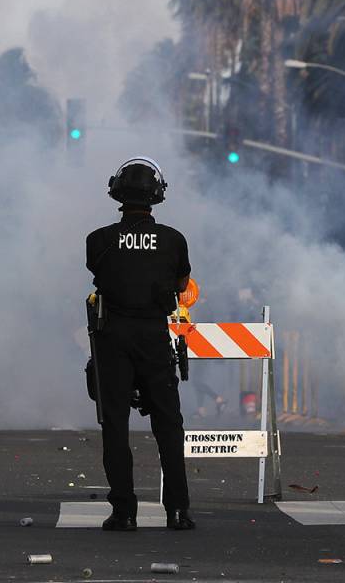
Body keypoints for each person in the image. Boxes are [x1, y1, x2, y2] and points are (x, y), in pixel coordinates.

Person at [86, 158, 194, 532]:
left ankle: (124, 512)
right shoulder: (173, 240)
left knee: (115, 425)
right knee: (168, 425)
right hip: (152, 336)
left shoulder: (97, 240)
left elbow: (99, 273)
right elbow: (181, 285)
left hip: (112, 338)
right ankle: (177, 511)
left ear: (117, 192)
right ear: (156, 195)